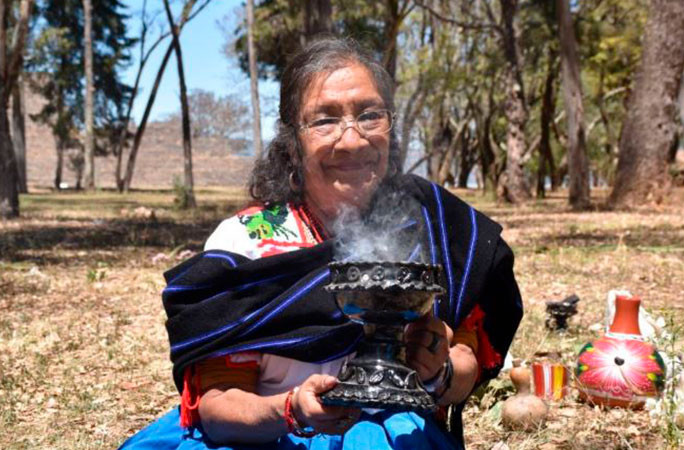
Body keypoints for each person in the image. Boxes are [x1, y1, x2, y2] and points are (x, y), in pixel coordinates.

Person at [119, 37, 522, 450]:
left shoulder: (436, 225)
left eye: (370, 115)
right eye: (324, 121)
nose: (352, 140)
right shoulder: (246, 243)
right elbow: (219, 406)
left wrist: (440, 373)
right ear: (293, 141)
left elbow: (466, 363)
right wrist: (291, 408)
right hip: (271, 436)